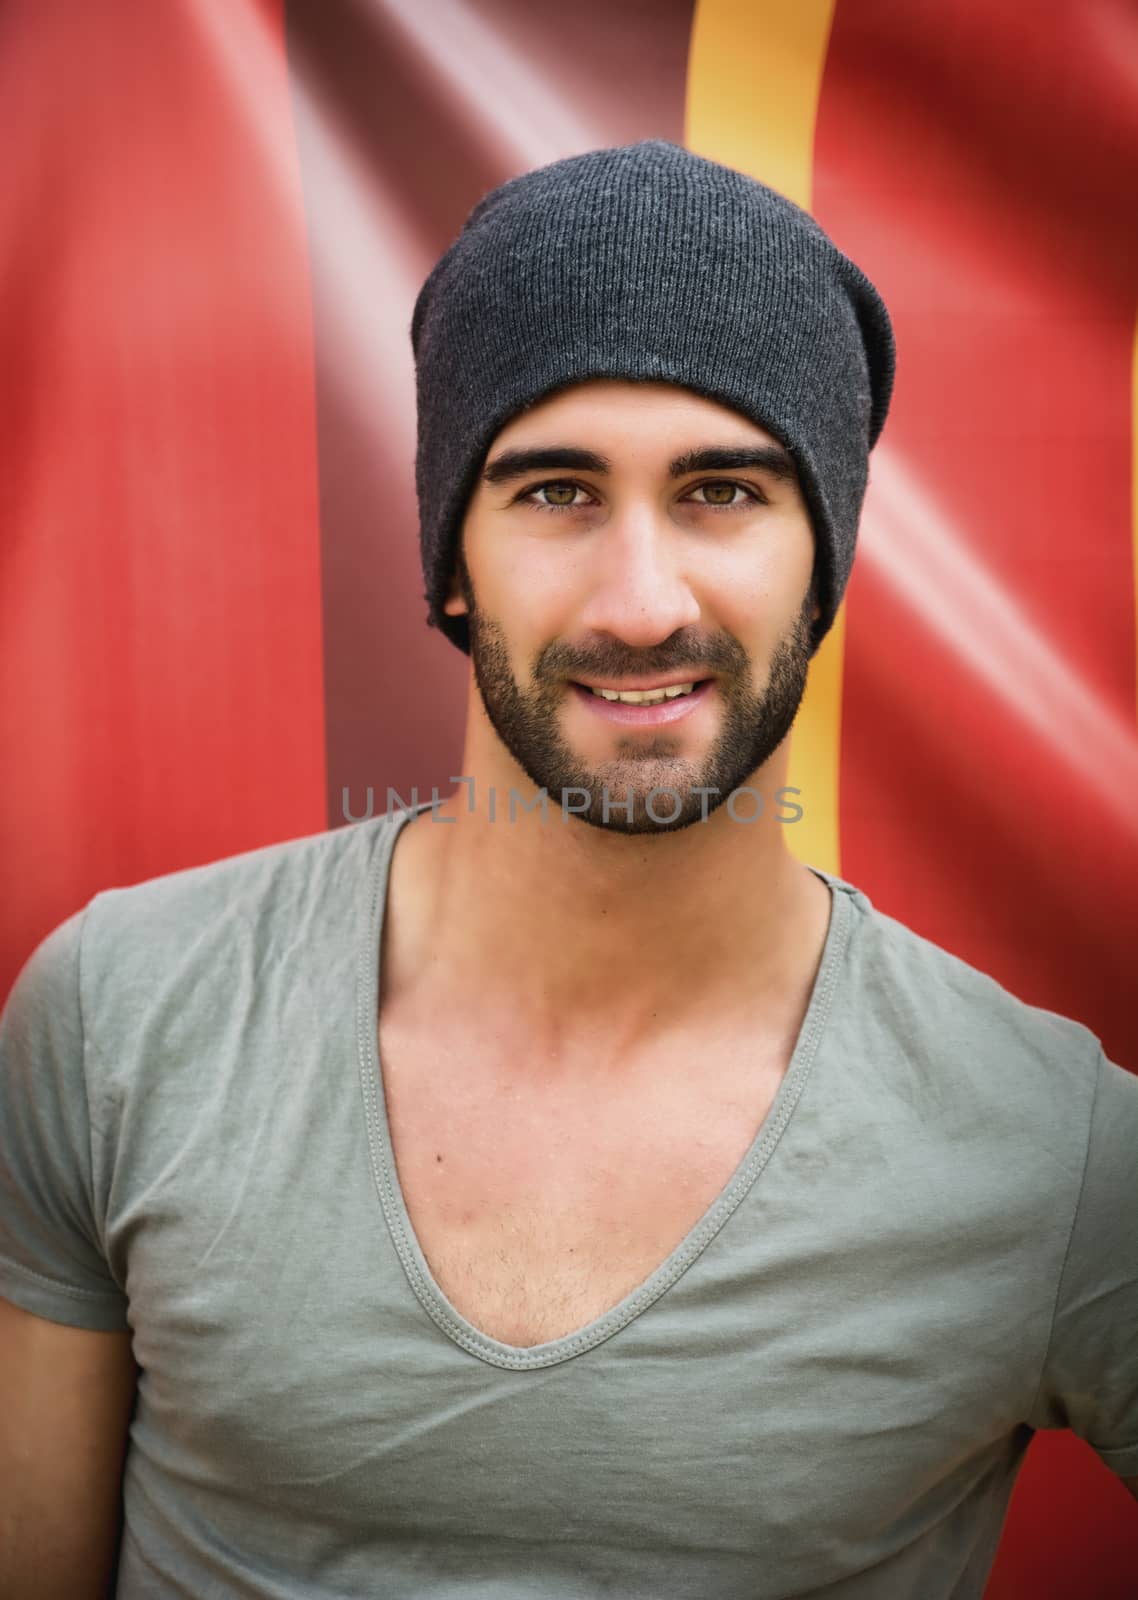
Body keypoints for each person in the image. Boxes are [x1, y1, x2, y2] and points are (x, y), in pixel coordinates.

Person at [1, 139, 1135, 1599]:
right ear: (451, 557)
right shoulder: (122, 1016)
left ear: (824, 557)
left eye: (724, 490)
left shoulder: (1052, 1153)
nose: (640, 599)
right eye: (554, 491)